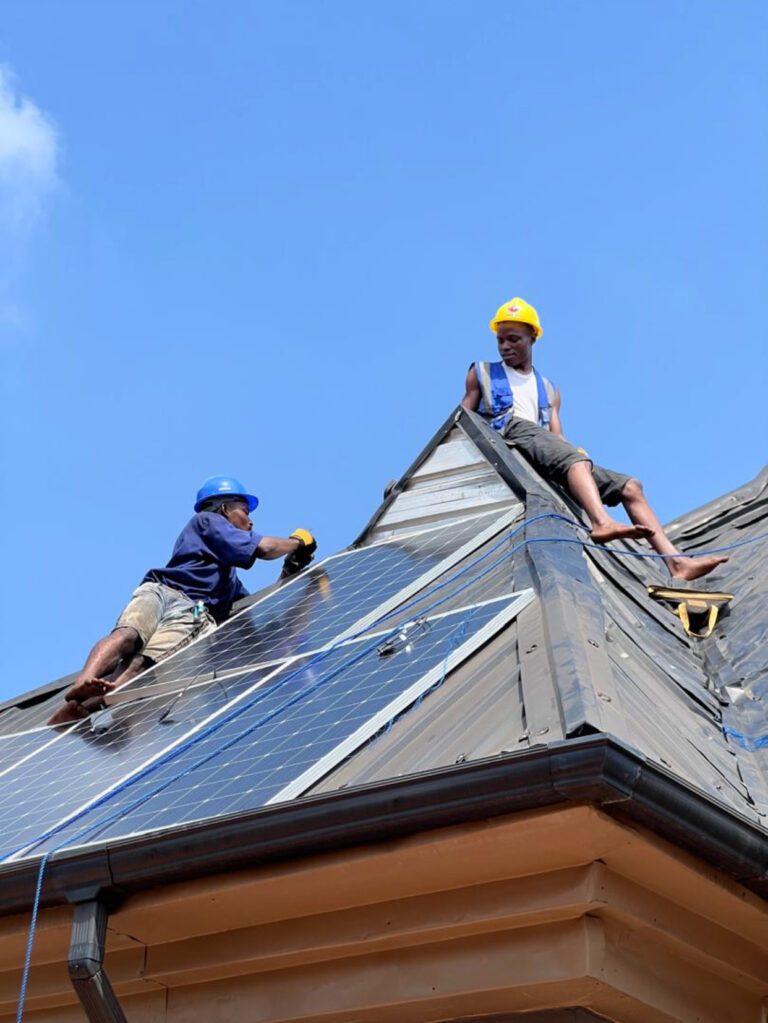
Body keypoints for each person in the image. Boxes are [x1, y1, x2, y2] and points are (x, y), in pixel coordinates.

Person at [462, 297, 728, 581]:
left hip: (541, 447)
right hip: (510, 435)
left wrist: (576, 455)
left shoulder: (549, 390)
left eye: (513, 339)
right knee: (576, 461)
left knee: (630, 486)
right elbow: (462, 419)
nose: (505, 346)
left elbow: (556, 437)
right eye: (500, 340)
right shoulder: (482, 373)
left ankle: (676, 563)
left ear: (532, 338)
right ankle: (601, 522)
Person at [48, 476, 316, 725]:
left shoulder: (228, 580)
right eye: (245, 511)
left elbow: (254, 610)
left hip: (166, 596)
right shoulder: (207, 522)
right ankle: (93, 692)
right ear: (224, 510)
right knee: (139, 650)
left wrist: (289, 573)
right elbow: (264, 548)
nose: (251, 521)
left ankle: (85, 697)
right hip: (182, 604)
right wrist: (296, 543)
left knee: (133, 643)